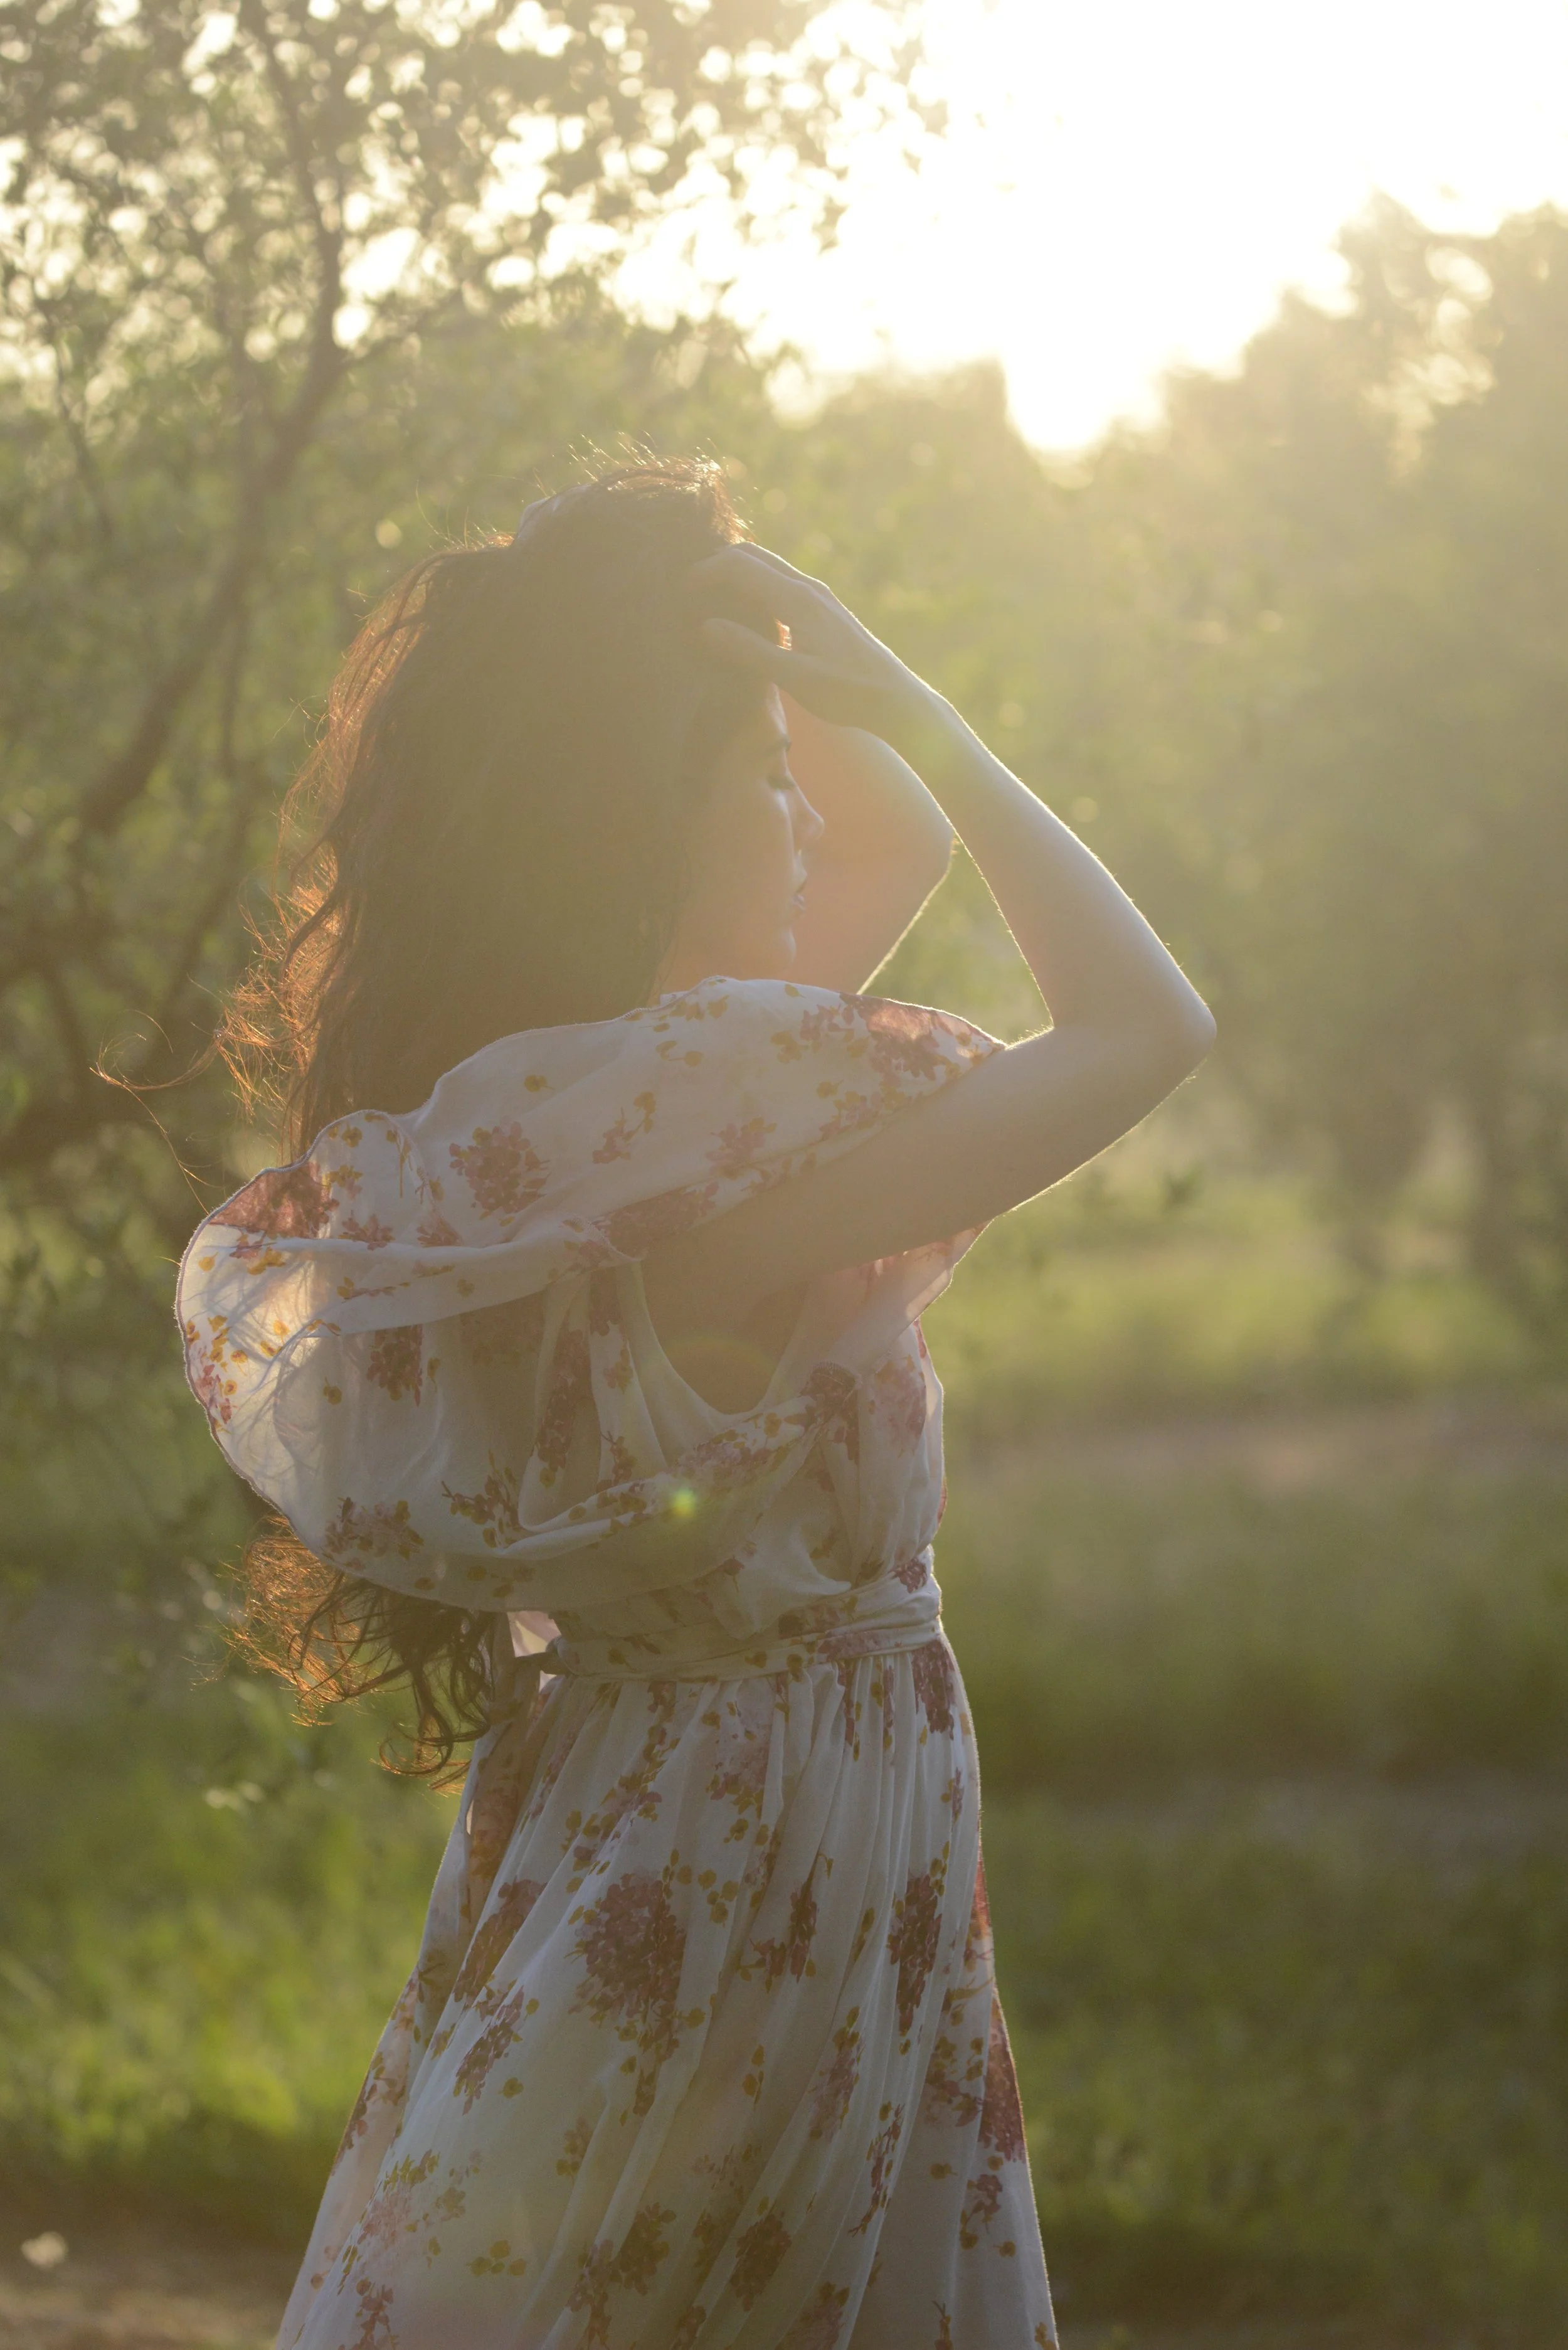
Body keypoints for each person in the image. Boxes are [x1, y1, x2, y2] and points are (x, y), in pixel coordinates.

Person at [179, 457, 1213, 2350]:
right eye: (758, 781)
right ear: (645, 831)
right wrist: (924, 708)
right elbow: (1145, 1030)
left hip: (657, 1810)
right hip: (760, 1850)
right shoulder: (715, 1185)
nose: (801, 818)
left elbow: (868, 848)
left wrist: (736, 618)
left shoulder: (565, 1127)